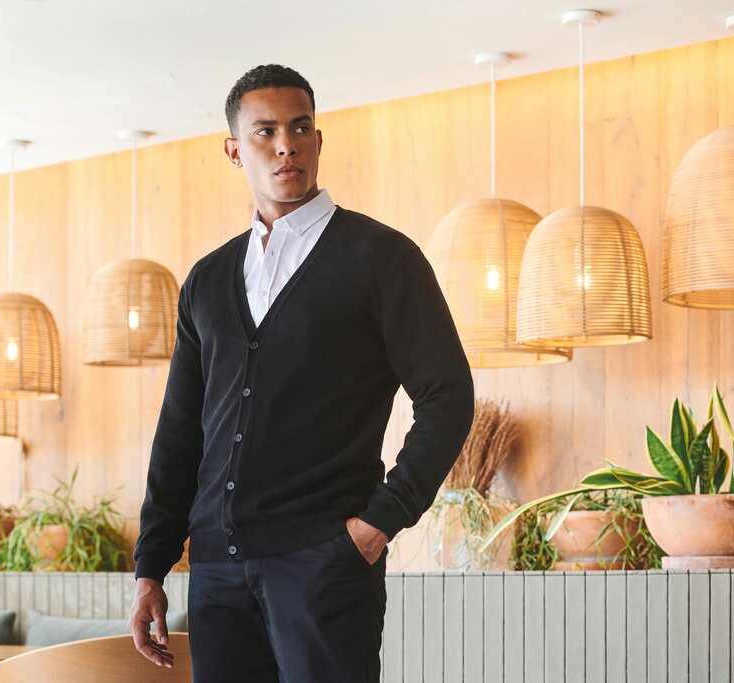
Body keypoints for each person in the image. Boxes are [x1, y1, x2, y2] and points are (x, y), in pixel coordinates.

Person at [129, 63, 475, 682]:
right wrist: (150, 567)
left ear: (318, 139)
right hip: (216, 576)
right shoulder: (207, 280)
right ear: (235, 150)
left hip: (324, 565)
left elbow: (447, 396)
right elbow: (180, 429)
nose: (285, 145)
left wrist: (379, 523)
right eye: (264, 132)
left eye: (299, 127)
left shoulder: (381, 258)